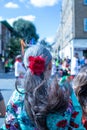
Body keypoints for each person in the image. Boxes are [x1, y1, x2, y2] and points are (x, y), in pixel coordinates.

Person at [1, 45, 85, 130]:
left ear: (26, 67)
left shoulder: (17, 97)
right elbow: (76, 126)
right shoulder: (66, 93)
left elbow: (9, 127)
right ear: (50, 66)